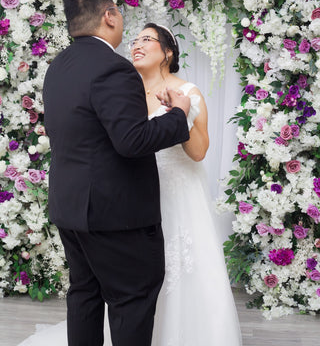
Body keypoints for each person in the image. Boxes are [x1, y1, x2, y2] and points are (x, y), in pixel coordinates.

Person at [18, 20, 242, 346]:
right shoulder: (121, 86)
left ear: (167, 52)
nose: (137, 44)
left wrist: (180, 114)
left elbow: (198, 153)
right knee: (126, 287)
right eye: (135, 39)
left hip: (175, 196)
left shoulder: (187, 92)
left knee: (168, 278)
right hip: (125, 200)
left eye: (147, 39)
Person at [40, 0, 191, 346]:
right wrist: (179, 115)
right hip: (115, 217)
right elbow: (132, 141)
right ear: (109, 15)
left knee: (84, 296)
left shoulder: (58, 66)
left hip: (71, 209)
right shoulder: (114, 68)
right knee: (131, 304)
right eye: (120, 13)